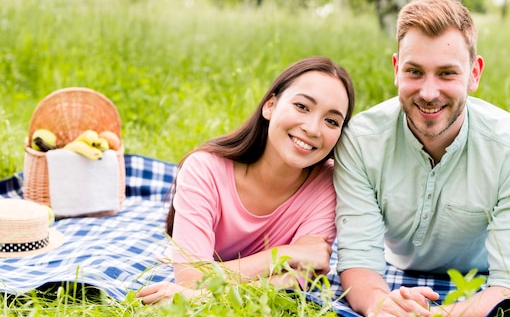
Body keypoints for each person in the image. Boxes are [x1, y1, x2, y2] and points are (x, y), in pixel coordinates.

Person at [333, 0, 510, 317]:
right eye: (414, 71)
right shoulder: (360, 141)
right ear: (396, 70)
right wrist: (381, 306)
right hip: (395, 263)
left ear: (474, 73)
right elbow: (358, 258)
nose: (429, 92)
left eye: (447, 73)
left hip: (481, 274)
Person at [137, 56, 355, 304]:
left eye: (331, 121)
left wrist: (201, 297)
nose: (313, 129)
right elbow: (191, 278)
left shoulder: (329, 183)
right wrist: (285, 254)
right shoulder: (204, 169)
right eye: (302, 107)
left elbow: (298, 279)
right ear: (270, 105)